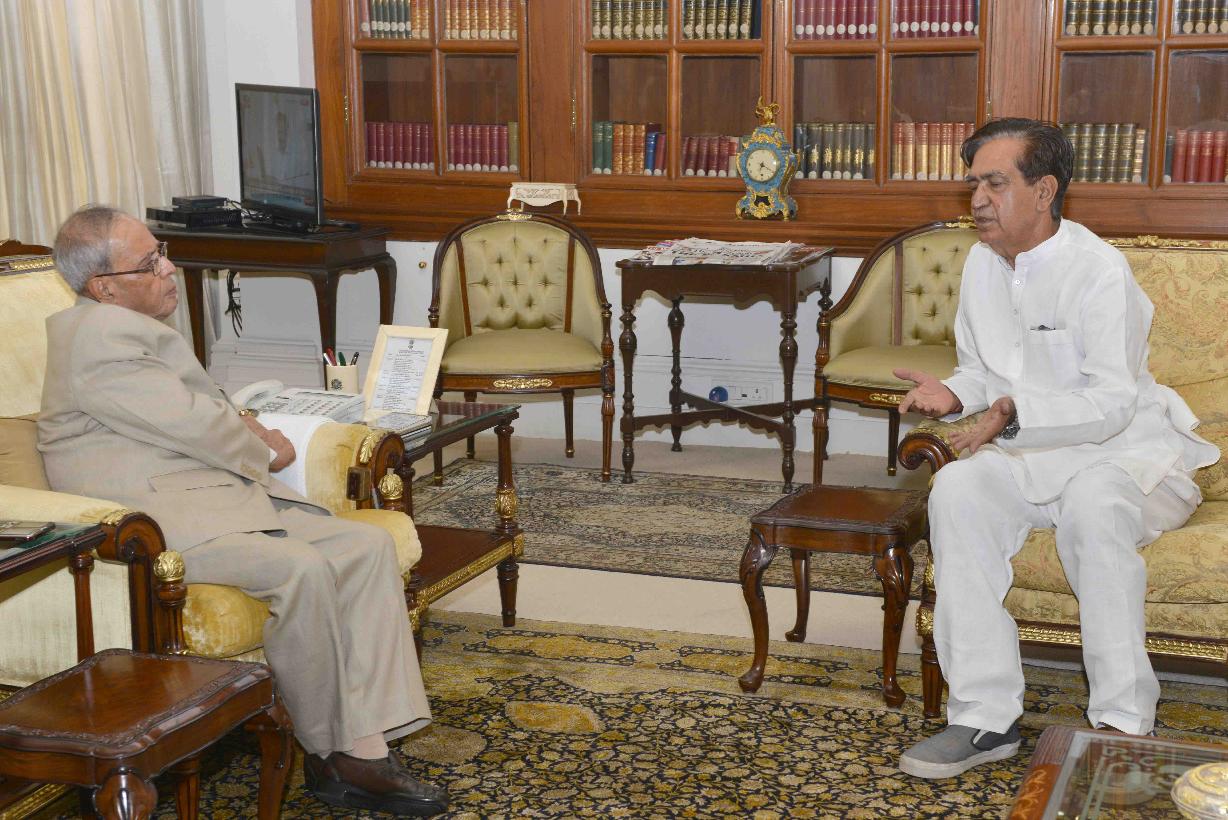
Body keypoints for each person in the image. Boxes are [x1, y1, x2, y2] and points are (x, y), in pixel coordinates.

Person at [37, 205, 449, 816]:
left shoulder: (124, 326)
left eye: (161, 251)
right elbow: (190, 422)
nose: (168, 268)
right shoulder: (96, 337)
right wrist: (265, 448)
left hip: (206, 498)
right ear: (105, 286)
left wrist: (249, 424)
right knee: (300, 569)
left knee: (365, 547)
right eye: (150, 263)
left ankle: (366, 744)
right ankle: (330, 749)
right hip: (156, 522)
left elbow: (198, 410)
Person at [893, 119, 1219, 779]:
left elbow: (1113, 402)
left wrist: (1013, 412)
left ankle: (1122, 724)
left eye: (995, 183)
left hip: (1126, 456)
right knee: (956, 489)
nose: (978, 200)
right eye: (973, 185)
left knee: (1094, 507)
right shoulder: (980, 264)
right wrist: (954, 395)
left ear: (1043, 191)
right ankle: (983, 717)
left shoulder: (1098, 270)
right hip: (1029, 456)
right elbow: (982, 370)